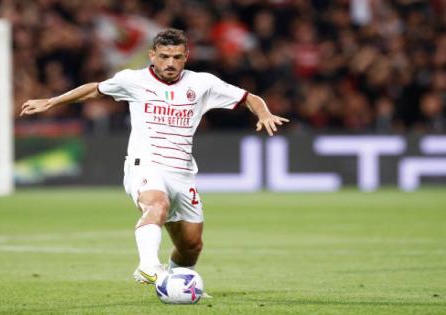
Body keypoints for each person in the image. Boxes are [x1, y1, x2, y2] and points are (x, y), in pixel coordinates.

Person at [21, 28, 289, 288]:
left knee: (191, 246)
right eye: (163, 56)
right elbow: (95, 89)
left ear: (186, 56)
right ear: (152, 55)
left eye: (176, 57)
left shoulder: (203, 83)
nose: (170, 63)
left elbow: (249, 98)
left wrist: (263, 114)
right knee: (156, 204)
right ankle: (148, 265)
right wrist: (51, 102)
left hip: (182, 172)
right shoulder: (132, 80)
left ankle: (176, 284)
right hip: (145, 164)